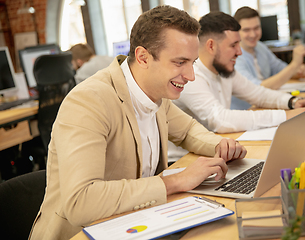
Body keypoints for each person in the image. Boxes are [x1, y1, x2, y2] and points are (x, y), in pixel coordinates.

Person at [29, 6, 247, 240]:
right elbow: (81, 201)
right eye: (179, 62)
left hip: (136, 222)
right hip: (84, 232)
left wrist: (221, 146)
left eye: (192, 63)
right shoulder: (89, 101)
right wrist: (174, 182)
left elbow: (187, 131)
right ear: (143, 57)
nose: (190, 76)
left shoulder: (154, 90)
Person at [173, 11, 305, 134]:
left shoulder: (223, 69)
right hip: (185, 161)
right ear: (211, 46)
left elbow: (258, 94)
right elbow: (219, 120)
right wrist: (287, 116)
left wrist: (293, 102)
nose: (239, 52)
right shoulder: (190, 76)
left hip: (215, 150)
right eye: (233, 45)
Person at [233, 7, 305, 90]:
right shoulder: (234, 57)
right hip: (251, 102)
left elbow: (281, 69)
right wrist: (294, 65)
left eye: (256, 28)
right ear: (236, 31)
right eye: (246, 30)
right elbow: (255, 89)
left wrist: (299, 71)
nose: (253, 34)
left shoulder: (260, 47)